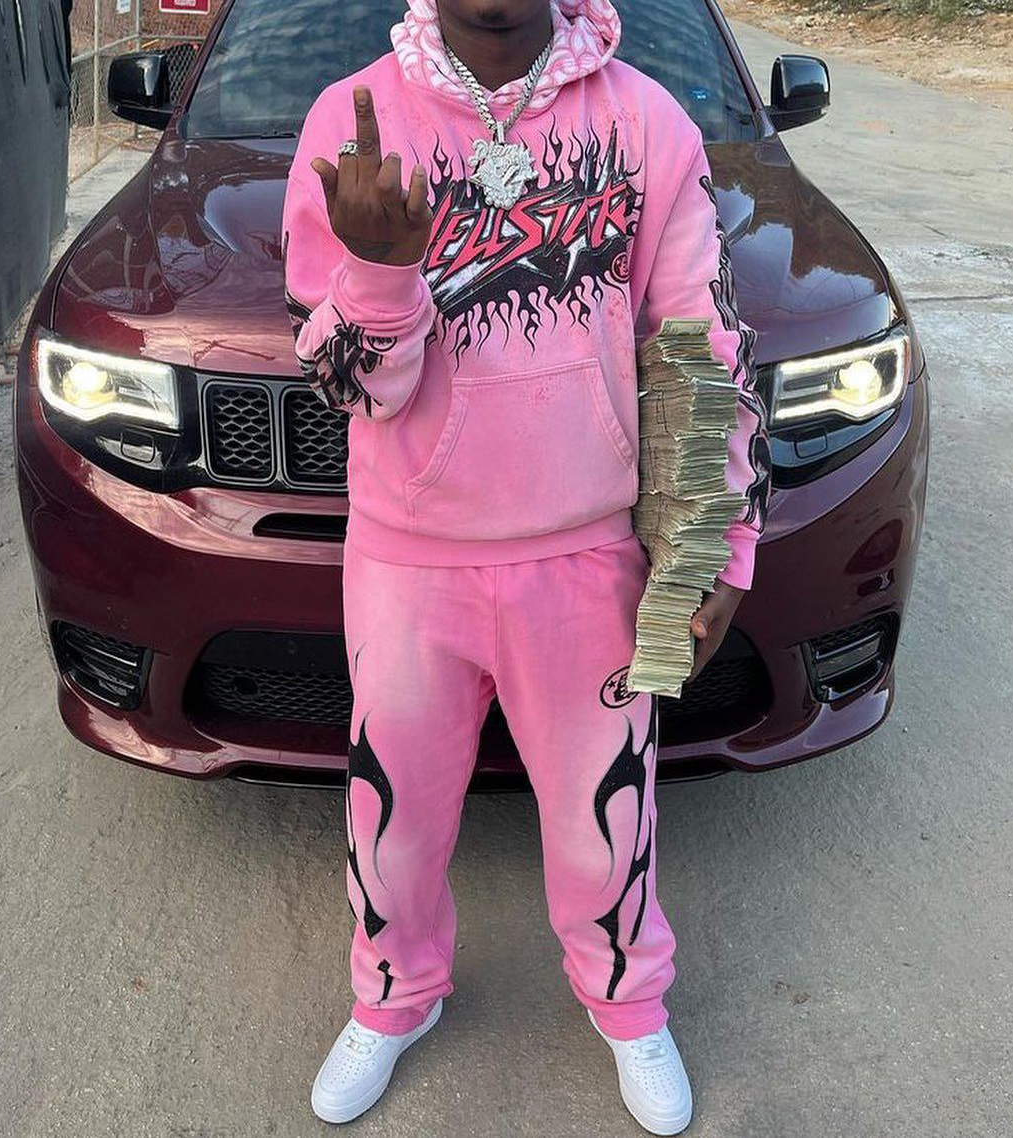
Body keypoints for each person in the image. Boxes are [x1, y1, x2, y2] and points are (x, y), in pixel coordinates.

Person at [280, 0, 769, 1131]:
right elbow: (346, 390)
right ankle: (393, 997)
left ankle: (629, 1004)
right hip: (409, 558)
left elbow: (699, 341)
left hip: (586, 550)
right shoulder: (350, 125)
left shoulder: (645, 122)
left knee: (607, 822)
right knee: (392, 824)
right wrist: (379, 271)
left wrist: (716, 542)